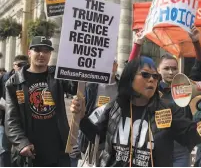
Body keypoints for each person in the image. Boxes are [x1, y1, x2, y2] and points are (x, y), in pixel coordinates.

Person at [71, 56, 201, 167]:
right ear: (129, 79)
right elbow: (96, 135)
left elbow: (191, 135)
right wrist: (81, 118)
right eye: (145, 75)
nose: (152, 80)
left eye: (155, 76)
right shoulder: (113, 107)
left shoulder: (166, 110)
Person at [4, 36, 77, 167]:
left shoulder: (57, 76)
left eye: (46, 51)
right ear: (29, 52)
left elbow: (76, 87)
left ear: (50, 54)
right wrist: (22, 144)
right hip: (30, 153)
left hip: (58, 151)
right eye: (37, 50)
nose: (41, 54)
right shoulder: (14, 83)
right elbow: (11, 120)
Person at [156, 26, 201, 167]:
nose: (170, 72)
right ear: (158, 70)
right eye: (166, 68)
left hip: (181, 147)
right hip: (157, 146)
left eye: (174, 68)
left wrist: (196, 42)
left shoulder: (185, 87)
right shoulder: (151, 90)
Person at [70, 58, 119, 166]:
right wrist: (77, 142)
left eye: (112, 63)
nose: (109, 66)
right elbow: (81, 114)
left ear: (116, 65)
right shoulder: (90, 86)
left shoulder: (121, 88)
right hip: (90, 141)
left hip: (112, 142)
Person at [0, 55, 29, 167]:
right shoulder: (4, 78)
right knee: (4, 150)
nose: (22, 68)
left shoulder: (29, 78)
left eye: (25, 65)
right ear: (14, 65)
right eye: (19, 65)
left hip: (23, 123)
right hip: (4, 120)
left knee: (21, 151)